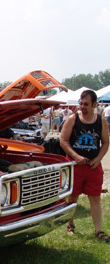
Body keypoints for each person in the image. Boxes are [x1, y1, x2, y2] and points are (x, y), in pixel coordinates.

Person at [60, 89, 110, 241]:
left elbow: (106, 142)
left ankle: (98, 231)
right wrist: (76, 157)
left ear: (95, 104)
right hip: (75, 165)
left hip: (93, 166)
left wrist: (99, 158)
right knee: (73, 197)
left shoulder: (100, 121)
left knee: (94, 198)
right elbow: (63, 141)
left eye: (86, 104)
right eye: (81, 103)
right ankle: (70, 225)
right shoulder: (72, 119)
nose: (82, 107)